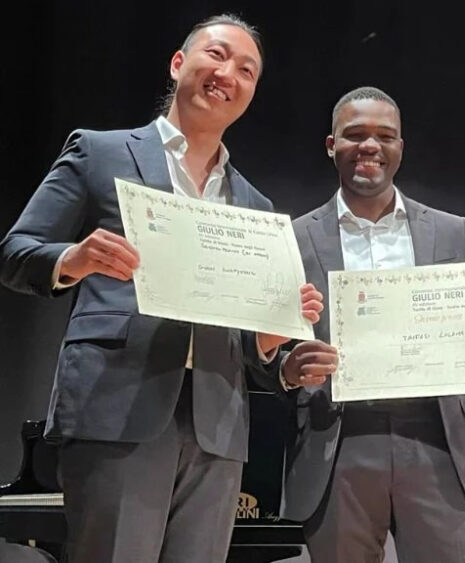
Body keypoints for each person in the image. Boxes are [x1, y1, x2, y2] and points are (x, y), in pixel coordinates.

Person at [0, 14, 322, 563]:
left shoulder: (256, 207)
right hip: (118, 409)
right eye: (217, 55)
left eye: (247, 70)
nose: (229, 74)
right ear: (178, 63)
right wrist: (73, 259)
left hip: (218, 428)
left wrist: (269, 339)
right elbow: (15, 253)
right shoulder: (100, 153)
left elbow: (248, 348)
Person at [278, 86, 465, 562]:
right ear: (331, 145)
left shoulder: (451, 232)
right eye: (355, 135)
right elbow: (271, 350)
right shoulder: (294, 238)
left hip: (438, 441)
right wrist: (288, 369)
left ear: (400, 148)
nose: (370, 145)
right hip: (337, 442)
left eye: (385, 136)